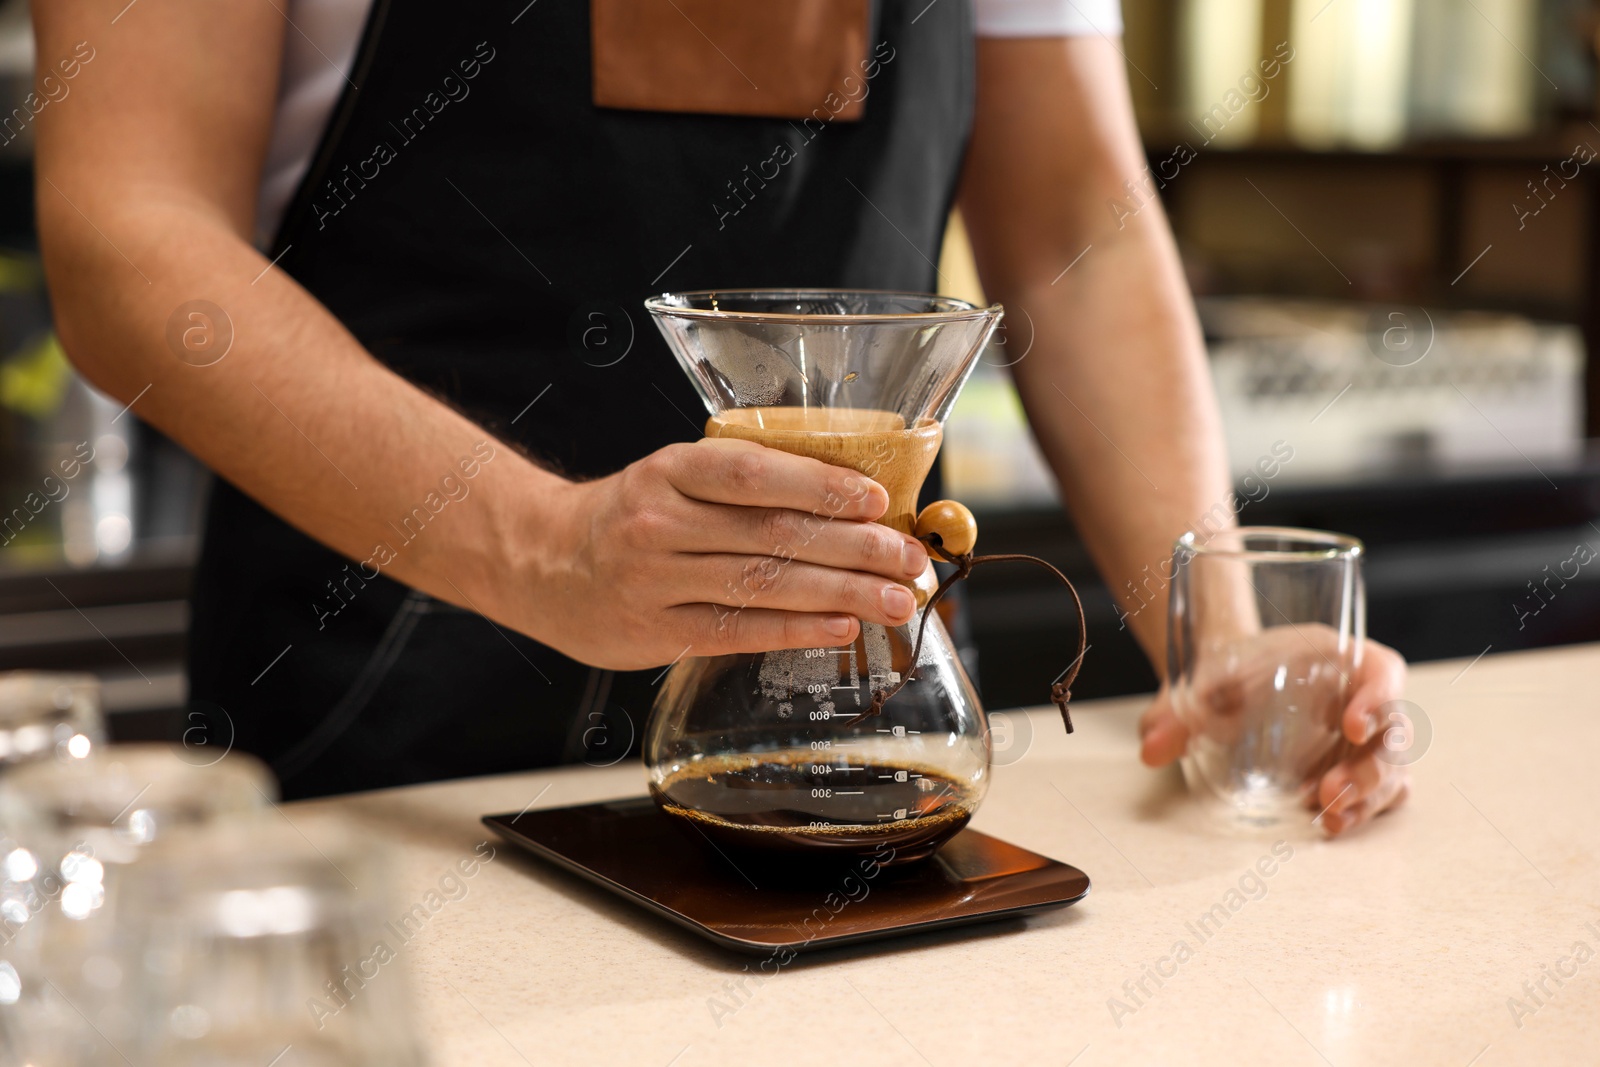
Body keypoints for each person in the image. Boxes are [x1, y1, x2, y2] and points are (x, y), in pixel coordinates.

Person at [32, 0, 1406, 832]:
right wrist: (545, 550)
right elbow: (125, 234)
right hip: (376, 771)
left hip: (874, 739)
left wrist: (1220, 648)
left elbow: (1072, 233)